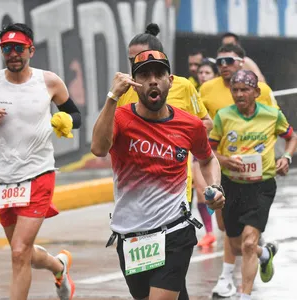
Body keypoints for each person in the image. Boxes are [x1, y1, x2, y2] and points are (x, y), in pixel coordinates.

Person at [91, 49, 225, 300]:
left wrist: (216, 186)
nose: (152, 80)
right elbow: (98, 149)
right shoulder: (120, 118)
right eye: (144, 75)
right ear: (134, 84)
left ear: (170, 80)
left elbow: (207, 159)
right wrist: (112, 97)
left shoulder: (190, 124)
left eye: (159, 74)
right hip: (130, 237)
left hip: (174, 231)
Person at [117, 24, 212, 299]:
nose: (147, 77)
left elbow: (203, 122)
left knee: (170, 265)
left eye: (153, 68)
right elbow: (103, 144)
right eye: (135, 64)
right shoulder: (123, 93)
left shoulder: (182, 85)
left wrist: (174, 130)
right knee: (164, 285)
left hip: (175, 189)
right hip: (136, 208)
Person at [0, 23, 81, 300]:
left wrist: (65, 120)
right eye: (6, 49)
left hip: (38, 174)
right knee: (24, 253)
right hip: (4, 179)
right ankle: (59, 266)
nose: (12, 54)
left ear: (31, 50)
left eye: (18, 48)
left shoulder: (49, 82)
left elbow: (76, 116)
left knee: (19, 252)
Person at [209, 70, 297, 300]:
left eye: (244, 90)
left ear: (256, 92)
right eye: (235, 90)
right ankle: (265, 254)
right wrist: (226, 160)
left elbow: (292, 137)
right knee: (237, 245)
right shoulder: (223, 116)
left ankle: (244, 296)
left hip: (261, 186)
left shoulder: (272, 115)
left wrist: (286, 157)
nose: (239, 94)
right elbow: (209, 150)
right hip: (231, 186)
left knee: (249, 243)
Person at [199, 43, 278, 297]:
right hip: (218, 169)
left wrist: (281, 156)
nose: (223, 66)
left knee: (247, 241)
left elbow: (273, 120)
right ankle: (263, 254)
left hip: (257, 179)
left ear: (241, 62)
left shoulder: (262, 91)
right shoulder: (207, 89)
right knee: (227, 232)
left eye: (229, 61)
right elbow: (200, 124)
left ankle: (229, 281)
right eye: (219, 61)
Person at [192, 58, 219, 248]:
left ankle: (228, 227)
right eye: (201, 72)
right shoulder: (192, 94)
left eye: (207, 72)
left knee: (222, 193)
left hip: (222, 149)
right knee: (203, 191)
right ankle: (209, 232)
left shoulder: (224, 94)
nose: (202, 75)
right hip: (198, 147)